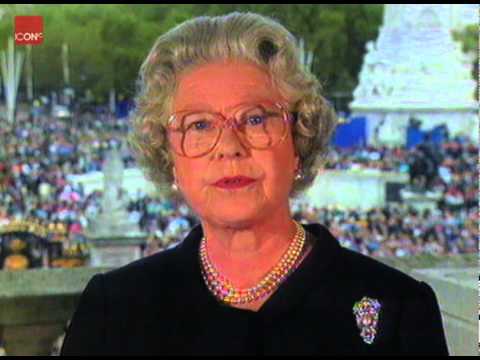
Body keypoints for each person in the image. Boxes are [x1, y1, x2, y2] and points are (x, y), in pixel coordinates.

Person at [61, 12, 449, 355]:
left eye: (256, 119)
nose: (230, 147)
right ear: (169, 158)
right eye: (199, 125)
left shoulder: (398, 308)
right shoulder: (113, 310)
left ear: (299, 141)